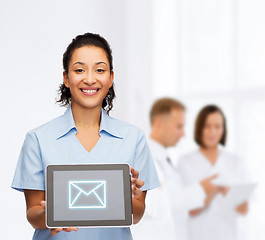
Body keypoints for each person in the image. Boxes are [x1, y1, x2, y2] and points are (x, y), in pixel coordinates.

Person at [11, 32, 160, 240]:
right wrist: (49, 216)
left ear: (111, 78)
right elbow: (33, 213)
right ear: (66, 78)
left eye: (100, 70)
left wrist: (130, 199)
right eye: (79, 70)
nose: (90, 79)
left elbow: (136, 214)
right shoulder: (37, 139)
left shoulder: (133, 138)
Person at [131, 98, 220, 240]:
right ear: (159, 124)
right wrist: (200, 190)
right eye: (178, 127)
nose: (183, 134)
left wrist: (200, 199)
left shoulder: (165, 159)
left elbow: (174, 202)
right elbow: (156, 206)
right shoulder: (144, 158)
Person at [178, 105, 248, 240]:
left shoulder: (235, 161)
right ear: (199, 128)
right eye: (207, 126)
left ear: (223, 130)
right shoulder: (185, 162)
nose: (212, 132)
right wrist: (214, 190)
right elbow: (190, 209)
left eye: (217, 126)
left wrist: (231, 195)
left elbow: (243, 209)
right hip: (198, 235)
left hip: (229, 234)